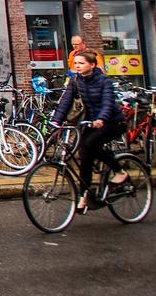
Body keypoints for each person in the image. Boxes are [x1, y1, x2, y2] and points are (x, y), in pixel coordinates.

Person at [50, 48, 126, 211]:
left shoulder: (104, 81)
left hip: (112, 122)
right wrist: (56, 122)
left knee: (90, 145)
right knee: (84, 155)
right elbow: (66, 102)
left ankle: (120, 172)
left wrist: (101, 119)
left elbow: (108, 102)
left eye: (81, 63)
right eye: (75, 63)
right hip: (90, 122)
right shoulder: (76, 80)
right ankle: (84, 195)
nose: (77, 66)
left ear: (92, 65)